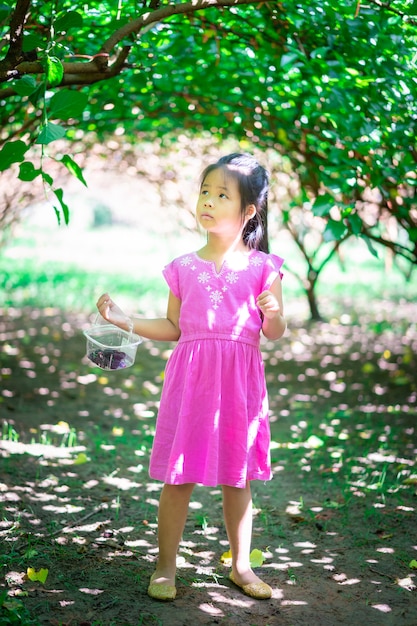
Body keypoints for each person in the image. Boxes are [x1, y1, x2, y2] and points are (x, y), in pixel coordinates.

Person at [96, 153, 286, 602]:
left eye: (223, 194)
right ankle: (165, 567)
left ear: (248, 211)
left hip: (239, 386)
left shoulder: (264, 268)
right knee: (178, 476)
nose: (208, 201)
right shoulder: (183, 266)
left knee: (236, 479)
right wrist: (125, 321)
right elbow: (174, 328)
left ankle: (241, 565)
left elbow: (274, 333)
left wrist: (275, 314)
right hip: (192, 382)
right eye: (205, 191)